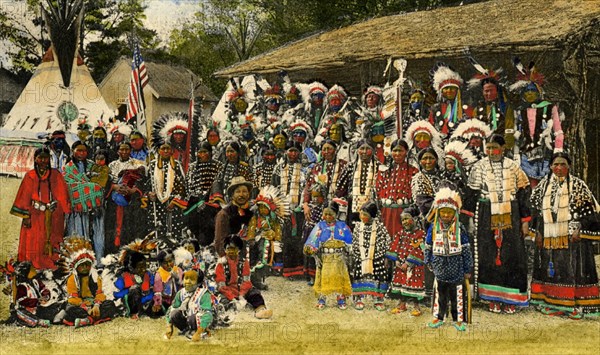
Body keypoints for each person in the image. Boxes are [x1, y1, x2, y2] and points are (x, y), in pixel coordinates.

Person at [465, 134, 531, 314]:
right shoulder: (478, 167)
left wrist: (525, 221)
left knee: (512, 254)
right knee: (489, 254)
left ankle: (511, 299)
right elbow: (471, 195)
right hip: (486, 215)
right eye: (488, 148)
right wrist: (470, 220)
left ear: (503, 149)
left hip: (511, 214)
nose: (491, 152)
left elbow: (524, 194)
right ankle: (492, 298)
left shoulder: (513, 167)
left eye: (495, 147)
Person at [529, 152, 600, 318]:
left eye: (562, 164)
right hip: (548, 236)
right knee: (550, 269)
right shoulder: (543, 186)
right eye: (555, 165)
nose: (559, 168)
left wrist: (579, 228)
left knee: (570, 269)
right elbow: (534, 210)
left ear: (569, 166)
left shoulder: (578, 185)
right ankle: (551, 303)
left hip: (571, 238)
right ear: (551, 167)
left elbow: (591, 212)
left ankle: (572, 306)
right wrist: (537, 232)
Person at [10, 147, 70, 269]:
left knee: (52, 239)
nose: (43, 160)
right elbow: (24, 196)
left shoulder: (56, 175)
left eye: (45, 158)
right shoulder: (30, 176)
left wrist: (61, 208)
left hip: (53, 215)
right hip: (35, 214)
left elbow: (62, 194)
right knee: (34, 241)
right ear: (35, 159)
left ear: (49, 159)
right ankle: (32, 265)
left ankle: (51, 263)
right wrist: (26, 216)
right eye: (40, 158)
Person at [510, 60, 564, 188]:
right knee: (529, 187)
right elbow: (516, 134)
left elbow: (558, 130)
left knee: (549, 186)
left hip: (546, 153)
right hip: (526, 155)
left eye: (532, 90)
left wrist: (558, 149)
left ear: (539, 91)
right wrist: (516, 154)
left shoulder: (550, 108)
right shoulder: (520, 111)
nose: (529, 93)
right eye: (527, 91)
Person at [425, 188, 473, 331]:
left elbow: (466, 249)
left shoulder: (460, 228)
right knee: (440, 293)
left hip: (456, 266)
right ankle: (438, 317)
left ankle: (458, 319)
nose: (446, 215)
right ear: (438, 212)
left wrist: (467, 268)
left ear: (455, 213)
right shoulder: (433, 228)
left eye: (449, 212)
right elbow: (428, 246)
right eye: (443, 212)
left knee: (457, 294)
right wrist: (428, 260)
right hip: (439, 265)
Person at [304, 202, 353, 310]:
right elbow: (312, 241)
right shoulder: (320, 226)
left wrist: (349, 252)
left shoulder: (342, 226)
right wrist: (314, 254)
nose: (327, 217)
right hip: (325, 257)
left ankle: (341, 299)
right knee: (324, 278)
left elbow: (349, 241)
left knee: (339, 278)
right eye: (325, 214)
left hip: (339, 257)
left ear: (335, 214)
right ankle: (322, 299)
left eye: (330, 214)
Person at [63, 141, 106, 261]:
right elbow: (68, 186)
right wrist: (88, 187)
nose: (82, 153)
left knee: (97, 234)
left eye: (84, 151)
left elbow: (101, 183)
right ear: (73, 151)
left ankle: (97, 261)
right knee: (78, 234)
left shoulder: (94, 166)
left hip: (95, 207)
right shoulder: (67, 168)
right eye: (79, 150)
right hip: (76, 208)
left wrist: (89, 187)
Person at [59, 237, 117, 327]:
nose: (85, 267)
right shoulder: (72, 279)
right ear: (76, 266)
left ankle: (88, 320)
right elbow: (73, 298)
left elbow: (100, 293)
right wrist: (86, 308)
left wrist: (97, 305)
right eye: (82, 265)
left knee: (110, 304)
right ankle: (91, 318)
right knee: (70, 308)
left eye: (88, 264)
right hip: (80, 305)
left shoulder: (95, 276)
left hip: (94, 304)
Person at [215, 235, 274, 319]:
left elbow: (246, 281)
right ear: (225, 250)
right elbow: (221, 286)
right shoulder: (221, 263)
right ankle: (228, 312)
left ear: (238, 249)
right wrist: (232, 298)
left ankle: (260, 310)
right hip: (227, 291)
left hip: (242, 290)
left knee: (255, 293)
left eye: (233, 248)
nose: (231, 251)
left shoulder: (244, 262)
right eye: (228, 249)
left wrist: (241, 295)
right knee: (222, 301)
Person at [272, 141, 306, 279]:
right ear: (286, 152)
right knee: (281, 237)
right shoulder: (279, 168)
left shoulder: (304, 169)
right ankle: (280, 267)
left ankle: (295, 270)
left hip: (297, 210)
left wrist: (301, 205)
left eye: (295, 151)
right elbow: (274, 187)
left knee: (295, 238)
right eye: (290, 151)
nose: (292, 154)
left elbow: (305, 189)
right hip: (281, 209)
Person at [105, 142, 146, 253]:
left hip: (131, 202)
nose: (124, 152)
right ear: (118, 151)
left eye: (127, 149)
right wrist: (114, 187)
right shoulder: (112, 165)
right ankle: (114, 252)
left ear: (130, 151)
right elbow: (107, 182)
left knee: (130, 225)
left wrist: (133, 190)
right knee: (114, 227)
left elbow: (142, 181)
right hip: (115, 202)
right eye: (121, 149)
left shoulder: (136, 164)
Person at [349, 201, 390, 311]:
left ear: (372, 215)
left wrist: (377, 255)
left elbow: (385, 242)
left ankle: (378, 299)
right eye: (361, 214)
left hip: (376, 258)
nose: (362, 217)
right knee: (359, 276)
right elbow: (355, 241)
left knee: (379, 276)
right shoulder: (358, 226)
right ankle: (359, 298)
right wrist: (360, 254)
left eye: (365, 215)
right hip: (361, 257)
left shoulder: (380, 227)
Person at [144, 143, 188, 247]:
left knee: (174, 231)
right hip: (156, 203)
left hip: (173, 204)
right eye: (163, 149)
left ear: (172, 151)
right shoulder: (152, 165)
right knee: (158, 229)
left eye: (168, 148)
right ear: (158, 150)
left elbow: (183, 186)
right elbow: (146, 185)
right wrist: (149, 194)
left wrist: (175, 201)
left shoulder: (176, 165)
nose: (166, 151)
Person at [246, 185, 288, 287]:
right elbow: (251, 227)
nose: (262, 210)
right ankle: (250, 281)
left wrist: (275, 236)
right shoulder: (255, 218)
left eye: (265, 208)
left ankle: (259, 280)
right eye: (260, 207)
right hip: (256, 239)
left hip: (267, 241)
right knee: (253, 258)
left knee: (263, 260)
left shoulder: (273, 219)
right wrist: (251, 237)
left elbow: (277, 230)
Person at [387, 206, 426, 316]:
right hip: (401, 265)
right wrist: (397, 261)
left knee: (413, 286)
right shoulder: (400, 234)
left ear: (415, 219)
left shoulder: (420, 234)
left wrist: (408, 263)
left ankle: (417, 307)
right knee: (401, 286)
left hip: (414, 266)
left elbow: (419, 250)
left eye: (407, 219)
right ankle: (402, 305)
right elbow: (394, 246)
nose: (404, 222)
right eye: (403, 220)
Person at [376, 139, 419, 238]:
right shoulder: (384, 171)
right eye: (395, 150)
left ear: (406, 152)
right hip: (386, 213)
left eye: (401, 150)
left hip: (404, 213)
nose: (397, 153)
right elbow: (378, 191)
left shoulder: (413, 171)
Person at [185, 141, 224, 247]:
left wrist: (208, 202)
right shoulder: (192, 167)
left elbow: (219, 185)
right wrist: (197, 199)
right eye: (200, 152)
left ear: (210, 153)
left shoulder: (218, 166)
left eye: (204, 152)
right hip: (196, 204)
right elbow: (189, 185)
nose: (202, 155)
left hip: (212, 205)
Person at [165, 269, 214, 341]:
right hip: (188, 318)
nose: (188, 281)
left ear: (199, 282)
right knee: (174, 314)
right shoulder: (181, 293)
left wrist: (198, 333)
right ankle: (186, 330)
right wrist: (169, 326)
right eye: (186, 278)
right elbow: (172, 308)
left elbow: (208, 314)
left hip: (202, 322)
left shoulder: (204, 294)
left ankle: (201, 332)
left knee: (194, 317)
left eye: (192, 279)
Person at [214, 176, 254, 258]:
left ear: (248, 194)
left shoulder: (253, 211)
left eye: (244, 191)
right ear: (232, 195)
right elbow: (220, 243)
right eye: (238, 192)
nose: (241, 195)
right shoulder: (224, 214)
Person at [12, 261, 61, 328]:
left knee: (56, 306)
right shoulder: (22, 286)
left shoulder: (35, 281)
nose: (34, 270)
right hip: (27, 310)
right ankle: (38, 321)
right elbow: (21, 300)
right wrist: (37, 301)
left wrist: (46, 296)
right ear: (27, 272)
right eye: (32, 269)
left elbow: (44, 289)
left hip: (38, 309)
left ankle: (53, 317)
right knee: (21, 313)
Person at [113, 251, 156, 318]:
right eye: (140, 267)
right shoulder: (124, 277)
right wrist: (129, 290)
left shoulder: (148, 275)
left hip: (145, 302)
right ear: (132, 268)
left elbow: (154, 287)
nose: (144, 270)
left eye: (145, 266)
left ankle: (146, 312)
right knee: (134, 289)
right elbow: (116, 294)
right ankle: (134, 313)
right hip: (131, 304)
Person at [153, 250, 183, 316]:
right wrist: (158, 304)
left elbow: (183, 285)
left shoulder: (178, 270)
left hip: (179, 300)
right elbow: (158, 292)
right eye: (165, 263)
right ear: (160, 264)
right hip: (166, 301)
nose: (169, 264)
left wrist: (177, 278)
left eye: (170, 261)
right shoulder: (159, 274)